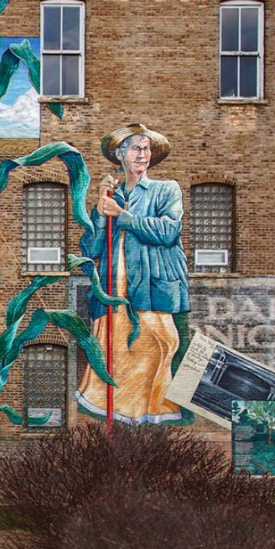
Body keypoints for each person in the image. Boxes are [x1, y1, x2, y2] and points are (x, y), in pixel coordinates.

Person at [75, 124, 189, 424]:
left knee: (157, 343)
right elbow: (91, 247)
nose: (143, 154)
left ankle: (155, 412)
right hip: (114, 288)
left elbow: (168, 230)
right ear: (119, 155)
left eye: (146, 148)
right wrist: (101, 210)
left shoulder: (166, 189)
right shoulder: (111, 195)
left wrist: (121, 215)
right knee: (114, 348)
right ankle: (117, 412)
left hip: (151, 286)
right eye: (136, 148)